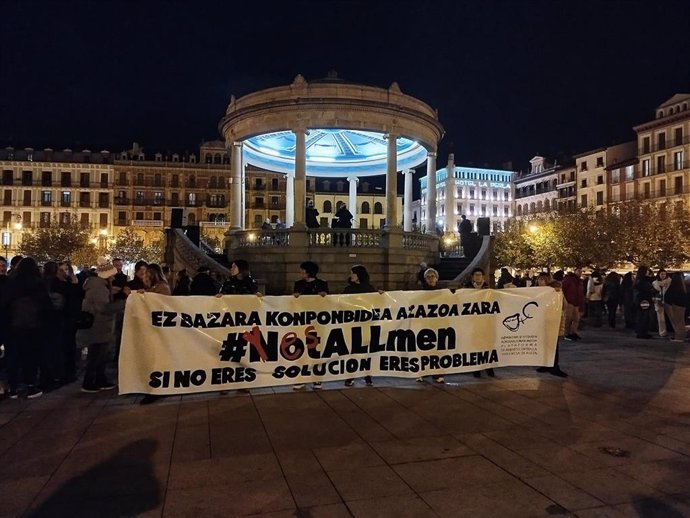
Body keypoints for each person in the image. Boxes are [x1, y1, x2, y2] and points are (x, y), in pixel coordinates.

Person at [1, 257, 52, 399]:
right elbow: (46, 305)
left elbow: (4, 303)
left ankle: (13, 388)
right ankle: (30, 386)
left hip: (13, 325)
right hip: (33, 325)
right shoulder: (37, 283)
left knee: (13, 356)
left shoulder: (10, 282)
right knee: (30, 356)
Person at [77, 260, 125, 393]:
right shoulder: (98, 287)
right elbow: (103, 307)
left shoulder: (99, 285)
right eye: (112, 275)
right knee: (96, 355)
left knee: (100, 355)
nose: (114, 278)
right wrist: (124, 302)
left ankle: (100, 379)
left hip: (101, 326)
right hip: (98, 326)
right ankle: (89, 382)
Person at [292, 261, 328, 390]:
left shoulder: (321, 284)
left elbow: (326, 303)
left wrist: (323, 297)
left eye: (302, 271)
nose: (300, 273)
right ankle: (301, 377)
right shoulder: (298, 284)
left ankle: (317, 378)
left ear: (309, 272)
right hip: (303, 322)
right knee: (301, 349)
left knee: (316, 350)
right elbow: (294, 302)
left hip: (317, 323)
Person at [342, 265, 377, 387]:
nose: (351, 275)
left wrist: (381, 296)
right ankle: (350, 376)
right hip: (353, 324)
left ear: (359, 275)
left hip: (366, 324)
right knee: (353, 350)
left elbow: (375, 303)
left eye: (353, 273)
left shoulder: (369, 288)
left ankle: (367, 375)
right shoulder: (348, 289)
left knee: (366, 351)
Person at [415, 268, 446, 384]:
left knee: (438, 350)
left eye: (433, 276)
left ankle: (437, 373)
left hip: (438, 325)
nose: (431, 278)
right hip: (424, 325)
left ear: (437, 278)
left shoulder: (443, 293)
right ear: (425, 279)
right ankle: (422, 372)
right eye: (428, 277)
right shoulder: (420, 293)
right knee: (423, 350)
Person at [463, 267, 495, 378]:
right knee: (475, 345)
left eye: (479, 275)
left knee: (487, 345)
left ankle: (488, 367)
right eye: (476, 275)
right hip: (473, 322)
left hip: (486, 322)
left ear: (483, 276)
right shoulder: (466, 288)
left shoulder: (488, 288)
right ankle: (476, 368)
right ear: (473, 277)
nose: (478, 277)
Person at [535, 272, 568, 377]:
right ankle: (545, 364)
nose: (540, 282)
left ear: (547, 280)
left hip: (552, 320)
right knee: (544, 343)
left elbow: (564, 305)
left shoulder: (556, 291)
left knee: (553, 344)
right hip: (542, 321)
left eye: (542, 280)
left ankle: (554, 366)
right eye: (539, 280)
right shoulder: (537, 291)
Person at [562, 267, 585, 340]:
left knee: (576, 319)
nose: (580, 273)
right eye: (578, 271)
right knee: (568, 319)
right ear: (575, 271)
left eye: (581, 271)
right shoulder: (569, 279)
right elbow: (563, 288)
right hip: (569, 302)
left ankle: (573, 332)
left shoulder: (580, 281)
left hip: (576, 302)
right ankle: (566, 334)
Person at [664, 272, 687, 342]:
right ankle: (680, 336)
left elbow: (670, 295)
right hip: (681, 305)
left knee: (676, 322)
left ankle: (679, 337)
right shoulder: (682, 286)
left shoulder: (674, 286)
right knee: (680, 321)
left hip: (674, 305)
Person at [633, 266, 655, 339]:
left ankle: (641, 331)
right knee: (644, 316)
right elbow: (647, 288)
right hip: (644, 300)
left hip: (640, 299)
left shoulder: (638, 279)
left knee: (642, 315)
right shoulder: (642, 280)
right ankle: (642, 332)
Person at [652, 269, 671, 337]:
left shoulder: (669, 281)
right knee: (660, 318)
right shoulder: (655, 283)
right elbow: (653, 292)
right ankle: (662, 332)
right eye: (661, 274)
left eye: (664, 274)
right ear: (658, 275)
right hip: (659, 301)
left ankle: (672, 329)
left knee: (671, 316)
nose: (663, 275)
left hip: (668, 301)